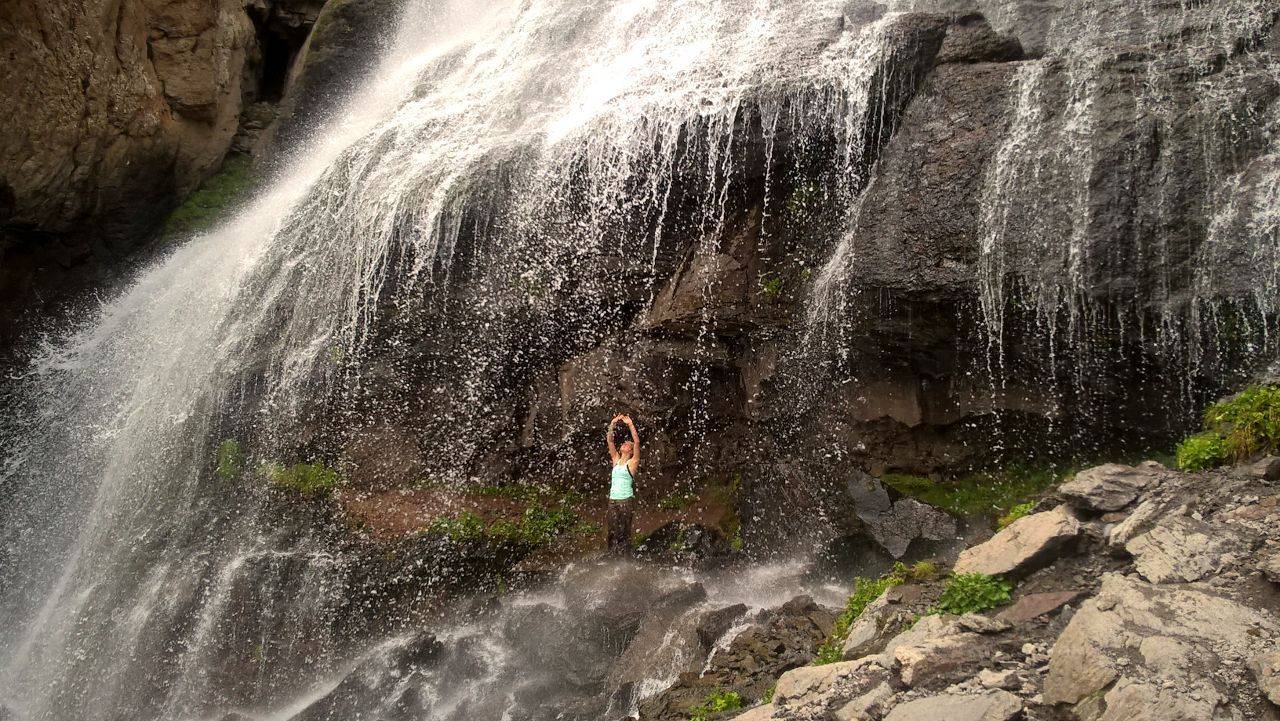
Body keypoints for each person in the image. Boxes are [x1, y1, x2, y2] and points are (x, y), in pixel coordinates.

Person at [606, 413, 639, 556]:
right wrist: (612, 424)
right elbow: (610, 442)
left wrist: (630, 424)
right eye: (624, 443)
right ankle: (611, 556)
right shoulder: (616, 460)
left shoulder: (632, 463)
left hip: (626, 500)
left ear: (631, 451)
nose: (624, 444)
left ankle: (626, 558)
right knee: (612, 530)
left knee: (624, 531)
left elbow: (637, 442)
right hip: (613, 500)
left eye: (627, 444)